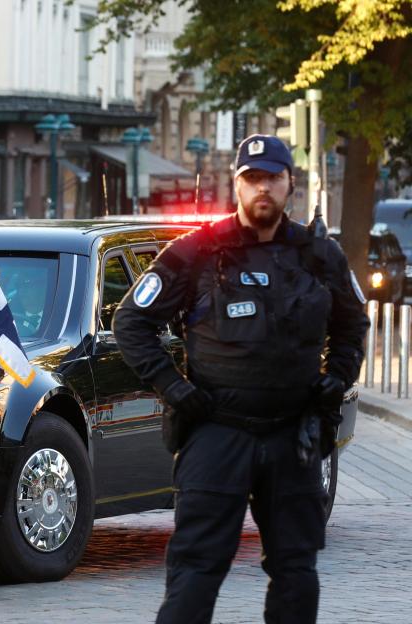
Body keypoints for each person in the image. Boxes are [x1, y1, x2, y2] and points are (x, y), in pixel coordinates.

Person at [112, 134, 369, 624]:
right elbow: (131, 323)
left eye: (272, 177)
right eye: (252, 179)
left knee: (297, 572)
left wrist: (336, 378)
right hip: (217, 430)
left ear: (290, 182)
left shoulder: (320, 255)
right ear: (236, 185)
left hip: (293, 433)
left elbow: (353, 323)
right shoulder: (196, 253)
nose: (262, 189)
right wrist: (174, 389)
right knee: (196, 570)